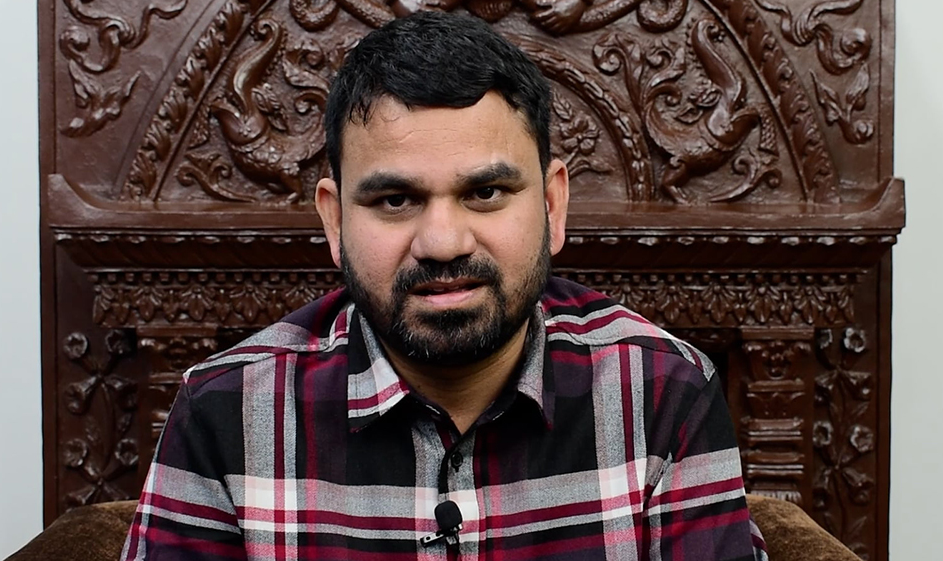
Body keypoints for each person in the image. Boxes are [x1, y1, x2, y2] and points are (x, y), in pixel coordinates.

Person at [122, 11, 767, 561]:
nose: (443, 242)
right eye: (395, 200)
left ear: (552, 205)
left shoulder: (663, 393)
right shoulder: (224, 412)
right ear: (335, 221)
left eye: (485, 193)